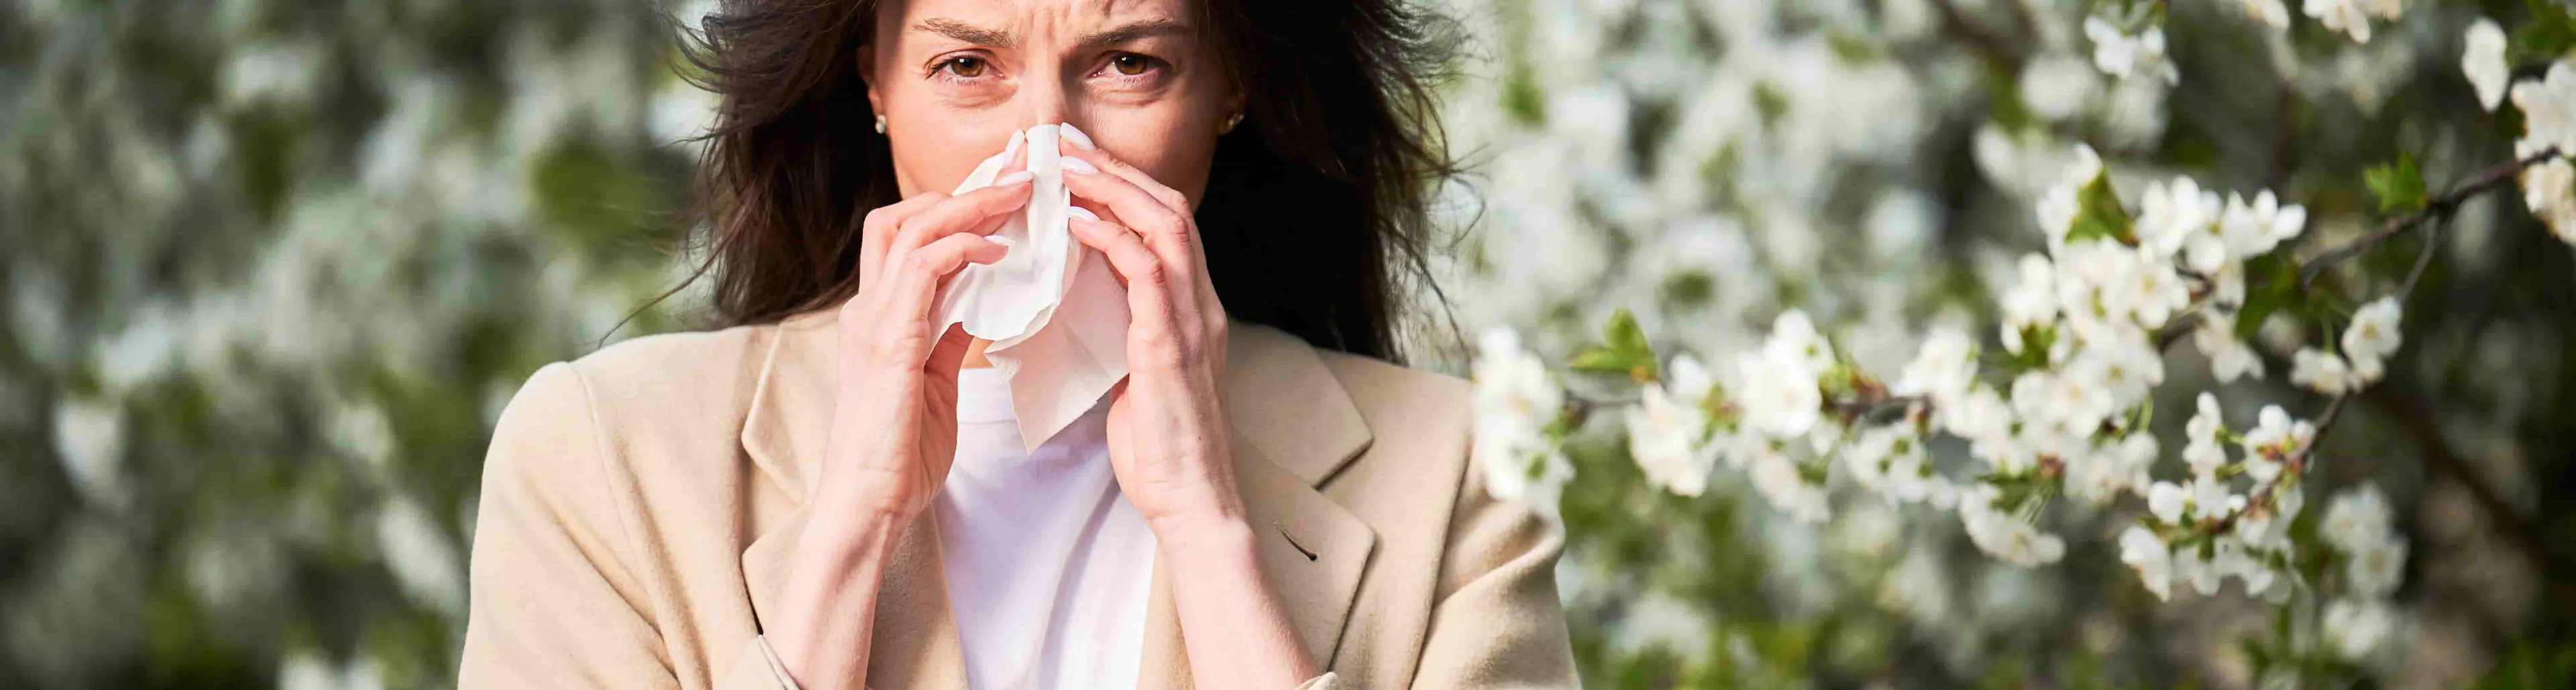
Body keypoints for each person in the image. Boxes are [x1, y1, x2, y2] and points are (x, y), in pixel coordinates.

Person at [455, 0, 1576, 687]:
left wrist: (1209, 526)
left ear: (1231, 85)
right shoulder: (600, 457)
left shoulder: (1456, 473)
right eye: (966, 66)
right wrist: (850, 530)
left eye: (1129, 63)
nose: (1046, 146)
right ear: (873, 77)